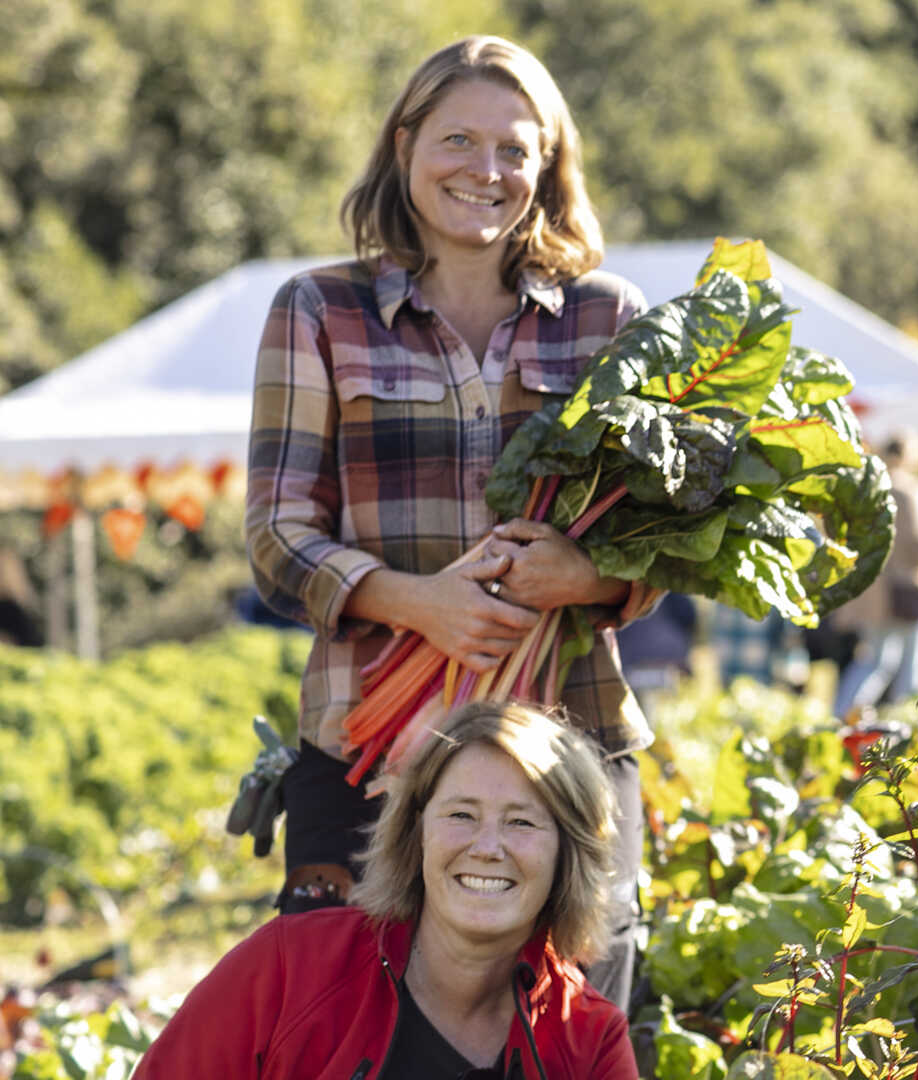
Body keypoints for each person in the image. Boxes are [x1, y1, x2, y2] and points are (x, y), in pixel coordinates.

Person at [244, 35, 656, 1004]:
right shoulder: (317, 310)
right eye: (458, 141)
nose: (488, 170)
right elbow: (276, 534)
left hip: (572, 737)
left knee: (573, 1023)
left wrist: (585, 577)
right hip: (365, 747)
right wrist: (419, 605)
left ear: (548, 167)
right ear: (404, 147)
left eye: (517, 149)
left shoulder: (610, 320)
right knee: (351, 1023)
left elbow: (664, 539)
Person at [133, 702, 639, 1078]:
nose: (487, 847)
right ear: (415, 833)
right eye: (461, 814)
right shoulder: (288, 966)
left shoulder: (590, 1041)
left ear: (567, 855)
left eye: (522, 823)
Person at [831, 431, 918, 717]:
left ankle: (844, 716)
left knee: (875, 660)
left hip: (873, 587)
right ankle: (909, 720)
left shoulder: (867, 486)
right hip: (906, 589)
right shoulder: (905, 489)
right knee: (912, 664)